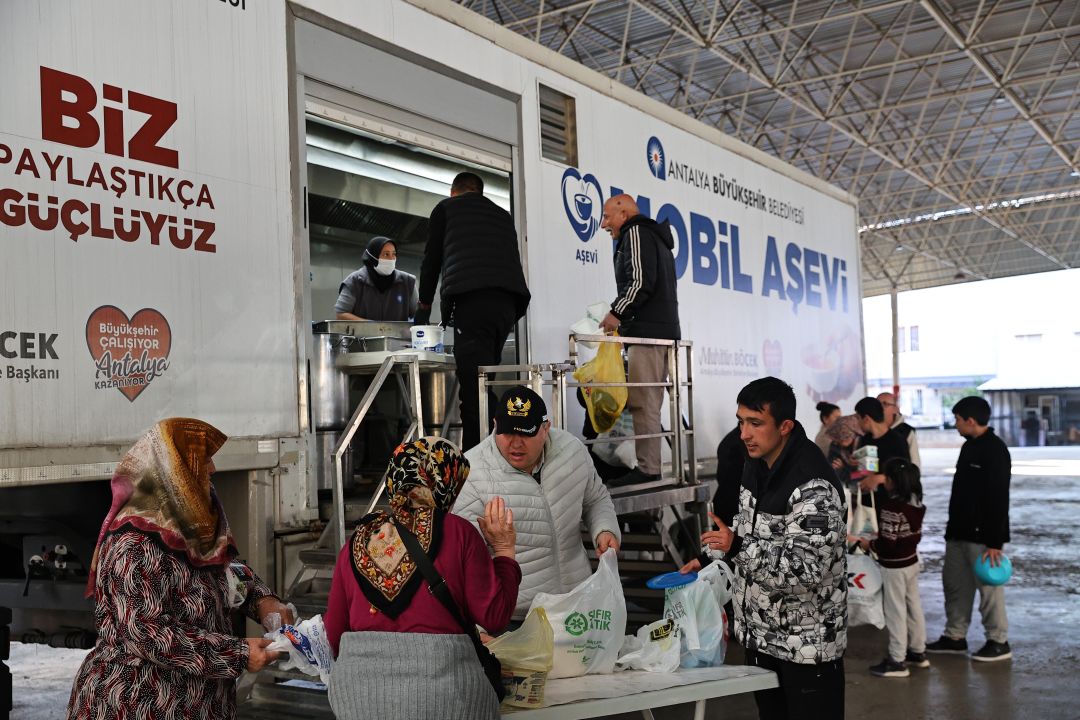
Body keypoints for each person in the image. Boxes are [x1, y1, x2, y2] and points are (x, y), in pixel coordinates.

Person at [67, 418, 290, 720]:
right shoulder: (134, 544)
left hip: (200, 704)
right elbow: (147, 633)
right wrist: (238, 655)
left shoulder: (189, 530)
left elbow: (226, 571)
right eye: (204, 460)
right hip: (138, 705)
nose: (212, 469)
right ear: (173, 472)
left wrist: (264, 601)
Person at [681, 377, 847, 719]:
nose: (744, 433)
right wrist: (709, 559)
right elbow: (744, 529)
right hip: (762, 640)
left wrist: (736, 547)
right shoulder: (756, 464)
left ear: (784, 426)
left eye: (755, 423)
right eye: (741, 421)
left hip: (807, 651)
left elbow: (805, 571)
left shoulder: (813, 485)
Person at [324, 437, 520, 720]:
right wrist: (504, 551)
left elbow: (333, 636)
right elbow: (494, 615)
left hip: (360, 701)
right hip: (446, 700)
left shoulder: (355, 542)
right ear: (447, 482)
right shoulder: (459, 533)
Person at [453, 386, 621, 619]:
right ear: (495, 424)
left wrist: (605, 529)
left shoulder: (571, 452)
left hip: (577, 603)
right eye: (508, 432)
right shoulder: (472, 473)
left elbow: (595, 498)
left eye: (526, 433)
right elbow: (462, 562)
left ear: (546, 428)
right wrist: (481, 628)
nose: (515, 443)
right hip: (516, 617)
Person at [414, 172, 530, 451]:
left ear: (454, 192)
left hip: (474, 301)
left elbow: (432, 261)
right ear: (479, 192)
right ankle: (500, 450)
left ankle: (475, 466)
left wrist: (424, 308)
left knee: (473, 390)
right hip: (507, 306)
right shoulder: (502, 216)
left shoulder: (446, 208)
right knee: (484, 381)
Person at [597, 194, 680, 484]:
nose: (603, 224)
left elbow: (640, 282)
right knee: (651, 403)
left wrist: (615, 313)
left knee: (644, 403)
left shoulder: (635, 232)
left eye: (607, 216)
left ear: (624, 211)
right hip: (661, 331)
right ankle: (650, 467)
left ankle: (647, 470)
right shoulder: (655, 237)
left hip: (648, 334)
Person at [926, 396, 1013, 662]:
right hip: (958, 533)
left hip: (984, 538)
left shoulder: (995, 450)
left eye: (958, 420)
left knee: (989, 589)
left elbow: (999, 498)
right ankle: (955, 637)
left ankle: (998, 641)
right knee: (955, 586)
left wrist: (995, 542)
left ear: (971, 421)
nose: (956, 425)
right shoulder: (969, 447)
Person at [851, 458, 929, 678]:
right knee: (913, 606)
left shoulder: (891, 509)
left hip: (894, 567)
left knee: (895, 612)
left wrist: (868, 543)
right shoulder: (916, 502)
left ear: (893, 482)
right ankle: (918, 651)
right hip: (912, 561)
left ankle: (897, 660)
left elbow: (887, 544)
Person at [335, 236, 418, 321]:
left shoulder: (408, 282)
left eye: (394, 254)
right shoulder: (354, 281)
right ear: (373, 256)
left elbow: (417, 314)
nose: (391, 259)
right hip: (363, 334)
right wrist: (372, 327)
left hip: (398, 334)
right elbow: (341, 314)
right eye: (386, 254)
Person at [854, 396, 911, 494]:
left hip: (890, 504)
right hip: (868, 502)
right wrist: (851, 470)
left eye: (858, 418)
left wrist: (880, 479)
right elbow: (866, 470)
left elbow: (906, 475)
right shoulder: (865, 439)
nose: (857, 423)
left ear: (866, 419)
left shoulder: (897, 441)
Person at [877, 392, 922, 468]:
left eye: (885, 404)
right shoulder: (869, 431)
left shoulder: (906, 431)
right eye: (877, 404)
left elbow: (915, 462)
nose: (880, 408)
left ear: (895, 409)